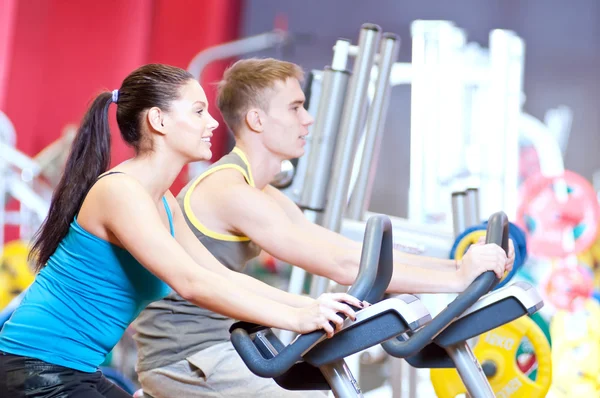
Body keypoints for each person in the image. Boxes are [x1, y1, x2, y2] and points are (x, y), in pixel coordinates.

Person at [133, 58, 515, 398]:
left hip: (223, 349)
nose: (308, 118)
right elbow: (339, 266)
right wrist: (460, 277)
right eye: (296, 107)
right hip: (189, 359)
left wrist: (459, 266)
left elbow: (347, 252)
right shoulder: (228, 190)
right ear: (257, 120)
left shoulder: (261, 190)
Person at [0, 63, 363, 398]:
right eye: (198, 111)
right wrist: (296, 319)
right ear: (158, 120)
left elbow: (216, 274)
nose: (213, 123)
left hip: (74, 367)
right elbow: (191, 283)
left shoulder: (163, 201)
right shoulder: (121, 191)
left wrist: (311, 305)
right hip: (35, 368)